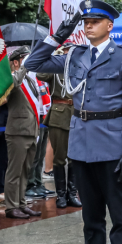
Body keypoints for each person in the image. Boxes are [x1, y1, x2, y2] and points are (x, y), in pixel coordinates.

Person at [25, 0, 122, 244]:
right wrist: (57, 37)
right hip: (81, 147)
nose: (88, 25)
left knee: (119, 216)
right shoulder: (74, 55)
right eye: (85, 21)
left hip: (112, 146)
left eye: (94, 21)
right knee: (91, 218)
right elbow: (32, 64)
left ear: (109, 25)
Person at [3, 47, 42, 220]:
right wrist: (23, 67)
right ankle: (11, 206)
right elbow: (13, 85)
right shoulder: (11, 78)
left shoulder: (30, 80)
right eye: (25, 59)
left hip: (31, 130)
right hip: (17, 130)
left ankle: (21, 203)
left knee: (26, 170)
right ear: (16, 62)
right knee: (15, 170)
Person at [43, 55, 81, 211]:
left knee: (75, 157)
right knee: (59, 158)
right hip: (58, 115)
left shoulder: (79, 68)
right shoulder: (55, 70)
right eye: (65, 50)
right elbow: (40, 74)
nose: (69, 53)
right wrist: (54, 59)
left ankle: (72, 194)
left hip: (76, 115)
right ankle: (61, 194)